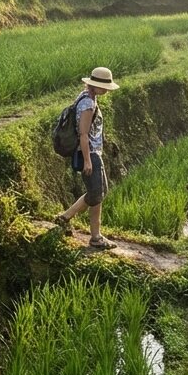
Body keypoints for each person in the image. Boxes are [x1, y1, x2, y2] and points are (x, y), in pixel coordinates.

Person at [53, 67, 120, 250]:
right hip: (88, 154)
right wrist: (88, 160)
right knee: (96, 194)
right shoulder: (88, 104)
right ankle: (93, 236)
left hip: (92, 152)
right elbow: (83, 134)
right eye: (103, 86)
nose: (106, 90)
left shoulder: (85, 97)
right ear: (95, 85)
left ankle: (66, 218)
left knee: (99, 192)